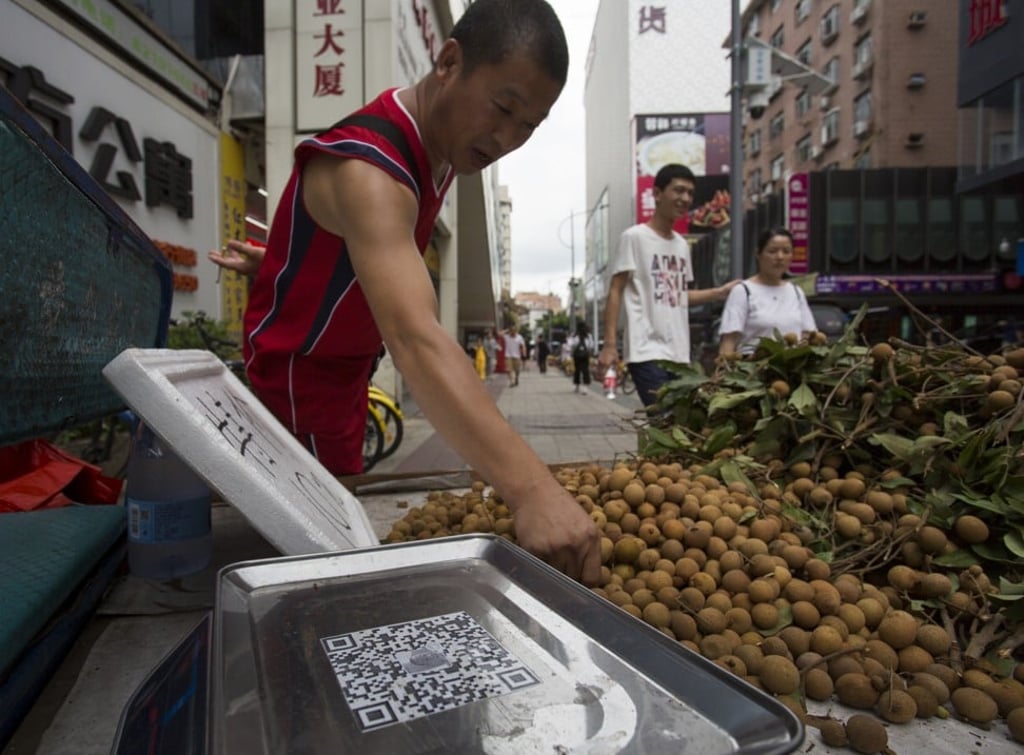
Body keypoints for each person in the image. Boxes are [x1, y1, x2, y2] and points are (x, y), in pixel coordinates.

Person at [207, 0, 600, 584]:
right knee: (319, 553)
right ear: (448, 61)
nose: (508, 138)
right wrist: (531, 490)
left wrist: (284, 262)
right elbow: (418, 340)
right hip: (304, 387)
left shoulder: (435, 149)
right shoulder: (373, 172)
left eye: (530, 125)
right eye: (504, 108)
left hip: (344, 377)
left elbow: (346, 248)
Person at [597, 163, 739, 408]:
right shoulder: (635, 237)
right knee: (665, 419)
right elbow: (616, 290)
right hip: (646, 350)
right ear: (657, 193)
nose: (685, 198)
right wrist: (609, 346)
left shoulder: (682, 245)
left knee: (677, 427)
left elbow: (679, 296)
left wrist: (719, 292)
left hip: (679, 353)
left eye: (690, 193)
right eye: (678, 190)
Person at [718, 226, 816, 357]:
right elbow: (728, 343)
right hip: (752, 370)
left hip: (791, 370)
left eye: (786, 251)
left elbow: (808, 336)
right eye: (772, 251)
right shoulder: (743, 291)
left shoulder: (796, 292)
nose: (780, 257)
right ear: (758, 253)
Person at [566, 321, 595, 394]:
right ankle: (585, 388)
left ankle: (577, 386)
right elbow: (591, 346)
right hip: (585, 355)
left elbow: (570, 344)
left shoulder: (575, 335)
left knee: (577, 370)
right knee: (585, 370)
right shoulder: (589, 335)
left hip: (577, 355)